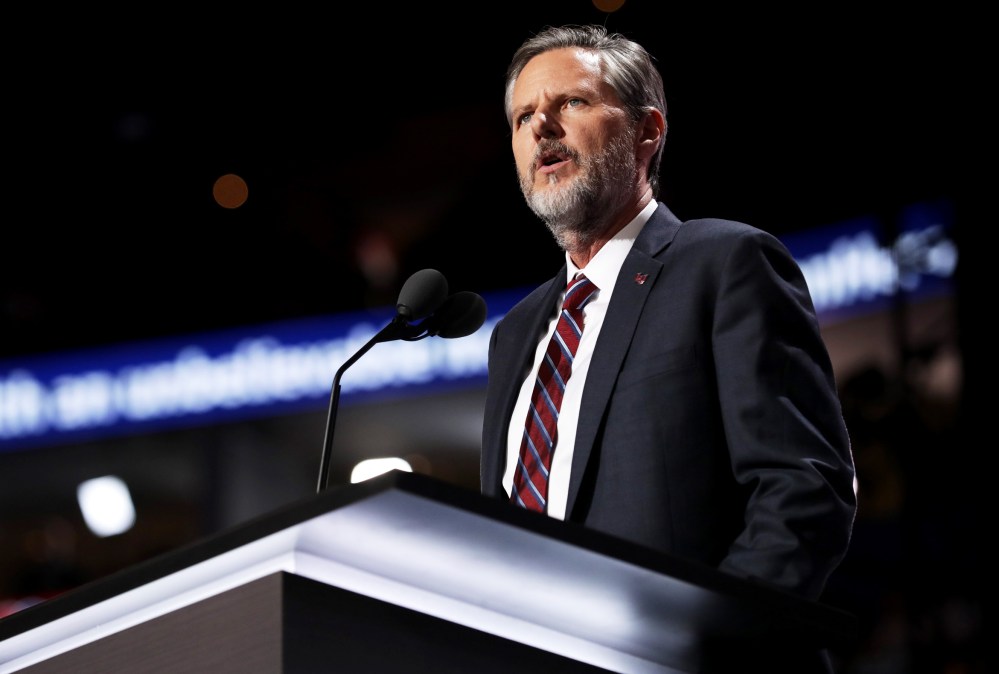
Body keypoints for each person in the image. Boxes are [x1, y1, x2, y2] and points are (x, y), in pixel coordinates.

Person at [479, 24, 858, 672]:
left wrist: (698, 645)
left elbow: (802, 489)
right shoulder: (514, 334)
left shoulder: (724, 263)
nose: (540, 126)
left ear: (647, 131)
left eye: (569, 103)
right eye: (522, 116)